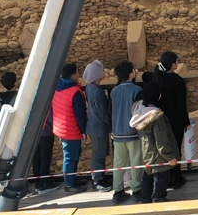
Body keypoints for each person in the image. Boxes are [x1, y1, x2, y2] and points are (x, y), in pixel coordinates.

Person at [130, 82, 179, 201]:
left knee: (148, 176)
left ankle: (145, 199)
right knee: (162, 178)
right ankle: (158, 198)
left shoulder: (139, 111)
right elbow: (161, 140)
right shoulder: (157, 116)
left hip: (146, 153)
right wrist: (170, 156)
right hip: (159, 155)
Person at [153, 52, 189, 189]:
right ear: (173, 64)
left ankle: (164, 179)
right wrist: (186, 122)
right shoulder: (177, 81)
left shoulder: (157, 79)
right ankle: (176, 178)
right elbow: (181, 105)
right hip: (175, 121)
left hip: (160, 121)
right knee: (175, 150)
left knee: (163, 150)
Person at [52, 62, 87, 194]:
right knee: (70, 157)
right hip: (70, 129)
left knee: (72, 155)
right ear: (73, 76)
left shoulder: (57, 87)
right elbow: (80, 114)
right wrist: (83, 131)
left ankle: (72, 179)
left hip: (61, 127)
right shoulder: (75, 92)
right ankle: (69, 185)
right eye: (77, 73)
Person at [111, 60, 144, 203]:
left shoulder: (114, 91)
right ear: (131, 73)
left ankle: (118, 190)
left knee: (118, 163)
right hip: (133, 132)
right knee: (136, 161)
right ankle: (137, 189)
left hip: (117, 132)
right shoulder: (136, 90)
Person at [84, 61, 112, 192]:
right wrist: (111, 124)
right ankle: (97, 180)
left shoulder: (90, 87)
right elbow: (102, 112)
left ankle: (101, 176)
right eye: (102, 70)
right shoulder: (97, 92)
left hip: (94, 126)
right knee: (99, 154)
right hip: (99, 127)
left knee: (100, 152)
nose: (104, 72)